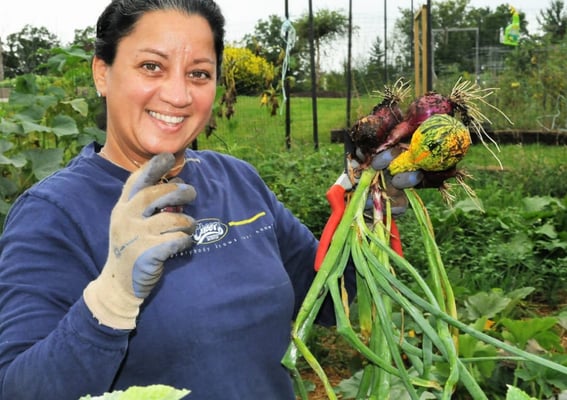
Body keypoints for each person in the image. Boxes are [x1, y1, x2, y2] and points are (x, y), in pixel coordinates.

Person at [0, 1, 352, 399]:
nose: (179, 94)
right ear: (103, 73)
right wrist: (112, 298)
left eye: (199, 74)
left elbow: (325, 297)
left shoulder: (237, 180)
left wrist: (368, 202)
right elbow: (19, 390)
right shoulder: (52, 213)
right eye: (152, 66)